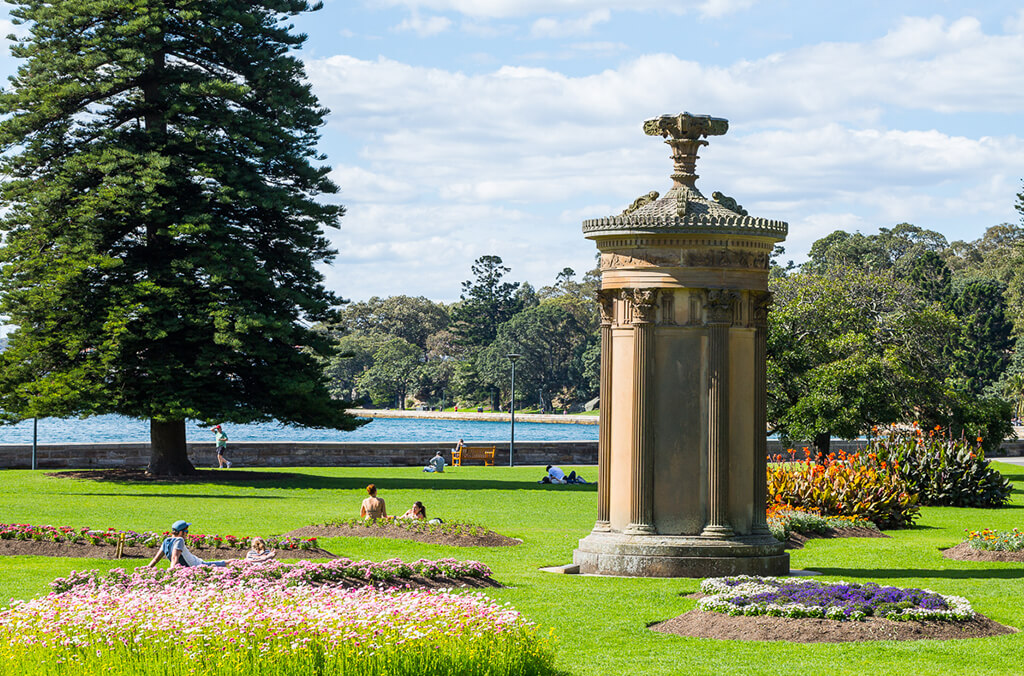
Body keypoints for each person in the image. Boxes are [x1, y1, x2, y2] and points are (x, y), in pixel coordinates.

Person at [147, 520, 226, 568]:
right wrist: (172, 572)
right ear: (180, 532)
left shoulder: (166, 541)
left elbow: (155, 560)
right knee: (228, 562)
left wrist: (147, 568)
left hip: (198, 562)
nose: (187, 534)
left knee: (226, 563)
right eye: (186, 531)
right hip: (199, 566)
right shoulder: (179, 540)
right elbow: (175, 558)